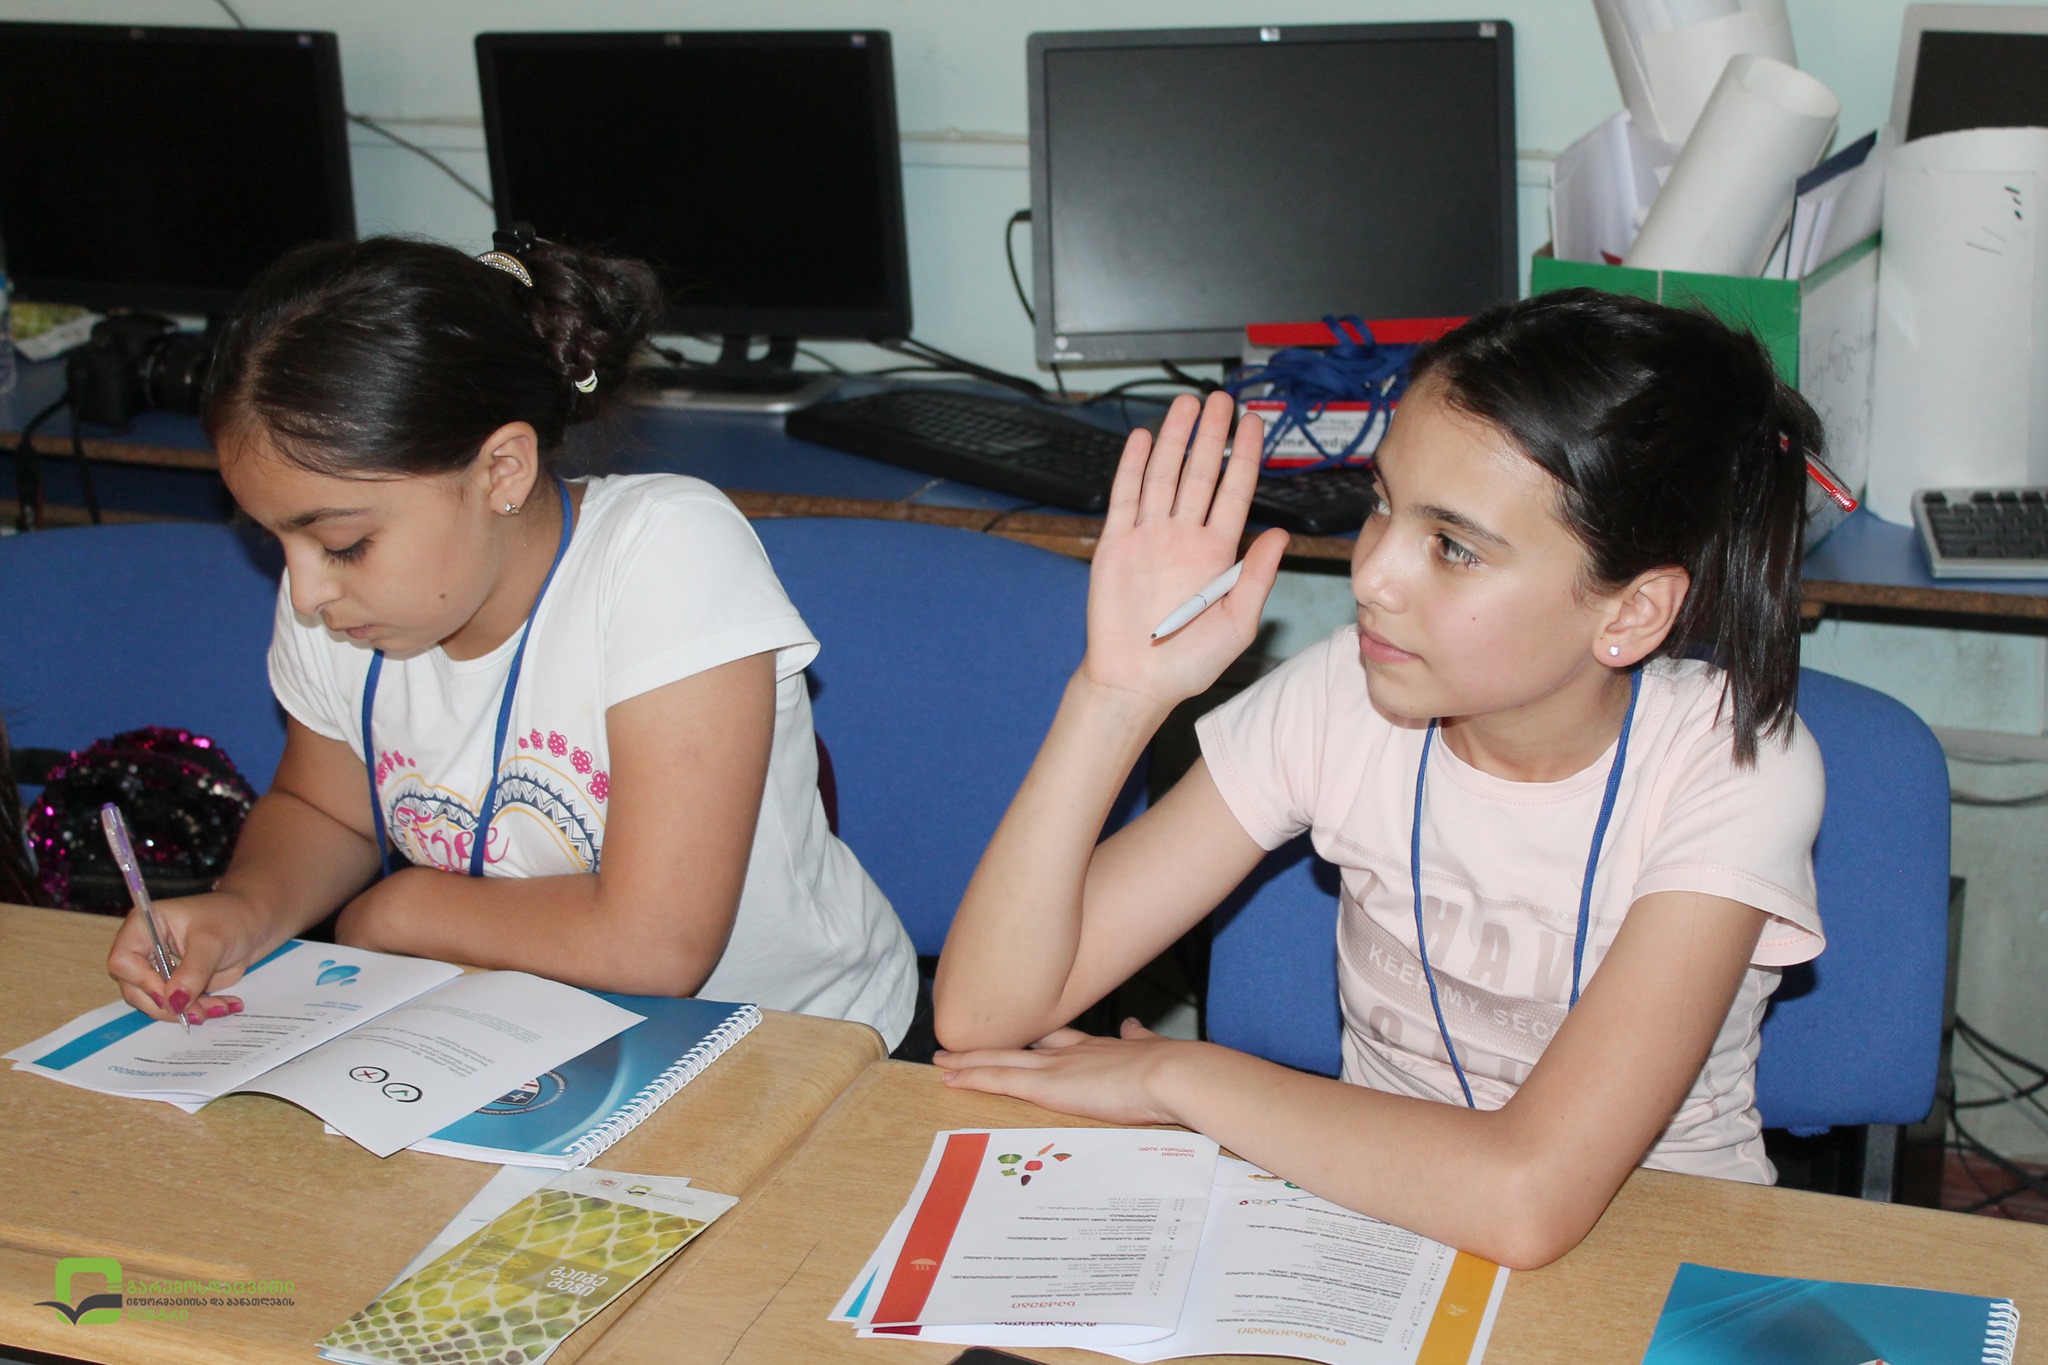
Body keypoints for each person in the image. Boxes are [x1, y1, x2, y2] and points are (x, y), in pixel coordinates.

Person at [932, 289, 1828, 1269]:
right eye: (1381, 504)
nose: (1371, 576)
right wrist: (1114, 694)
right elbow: (983, 1015)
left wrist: (1177, 1079)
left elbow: (1525, 1201)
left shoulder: (1733, 764)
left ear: (1630, 612)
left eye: (1453, 547)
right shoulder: (1344, 695)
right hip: (1376, 1226)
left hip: (1661, 1254)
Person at [105, 231, 918, 1052]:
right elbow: (325, 810)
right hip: (533, 1035)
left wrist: (398, 911)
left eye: (343, 542)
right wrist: (241, 909)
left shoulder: (667, 554)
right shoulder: (343, 600)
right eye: (275, 537)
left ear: (502, 470)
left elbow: (655, 944)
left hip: (797, 1044)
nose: (306, 589)